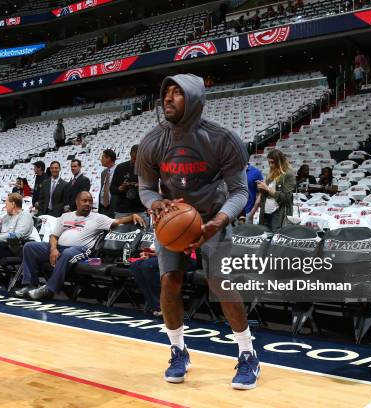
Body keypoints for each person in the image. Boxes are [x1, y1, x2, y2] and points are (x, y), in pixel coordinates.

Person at [136, 74, 259, 389]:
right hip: (173, 220)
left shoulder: (222, 139)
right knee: (169, 281)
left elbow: (239, 192)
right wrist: (157, 204)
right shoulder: (153, 140)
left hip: (211, 219)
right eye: (166, 93)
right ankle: (178, 350)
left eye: (177, 93)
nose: (168, 98)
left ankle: (247, 354)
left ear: (194, 99)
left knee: (222, 284)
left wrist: (220, 220)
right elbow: (146, 188)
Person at [17, 191, 145, 299]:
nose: (88, 204)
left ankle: (50, 289)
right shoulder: (66, 216)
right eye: (84, 201)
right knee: (30, 247)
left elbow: (118, 221)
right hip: (60, 248)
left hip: (83, 250)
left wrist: (132, 216)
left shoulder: (98, 218)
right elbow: (54, 236)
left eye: (90, 201)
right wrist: (53, 249)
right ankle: (30, 284)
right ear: (77, 202)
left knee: (67, 254)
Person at [130, 247, 198, 316]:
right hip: (164, 256)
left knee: (148, 265)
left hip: (186, 258)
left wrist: (154, 254)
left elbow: (180, 251)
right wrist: (149, 254)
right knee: (135, 265)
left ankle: (166, 306)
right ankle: (156, 306)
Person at [255, 149, 296, 231]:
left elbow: (286, 197)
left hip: (279, 214)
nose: (270, 165)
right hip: (266, 212)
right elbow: (267, 193)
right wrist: (261, 188)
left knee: (276, 239)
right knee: (264, 237)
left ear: (280, 162)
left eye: (272, 162)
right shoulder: (271, 173)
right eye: (269, 162)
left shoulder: (288, 175)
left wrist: (266, 188)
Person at [110, 144, 148, 224]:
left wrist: (141, 187)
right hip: (122, 211)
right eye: (135, 158)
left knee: (143, 235)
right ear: (130, 154)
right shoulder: (121, 168)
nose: (137, 161)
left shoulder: (147, 169)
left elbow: (153, 190)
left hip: (141, 210)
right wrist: (120, 188)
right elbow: (112, 189)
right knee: (120, 235)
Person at [98, 149, 117, 218]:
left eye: (102, 157)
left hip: (114, 210)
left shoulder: (119, 171)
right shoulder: (103, 173)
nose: (101, 159)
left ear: (108, 158)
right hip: (103, 210)